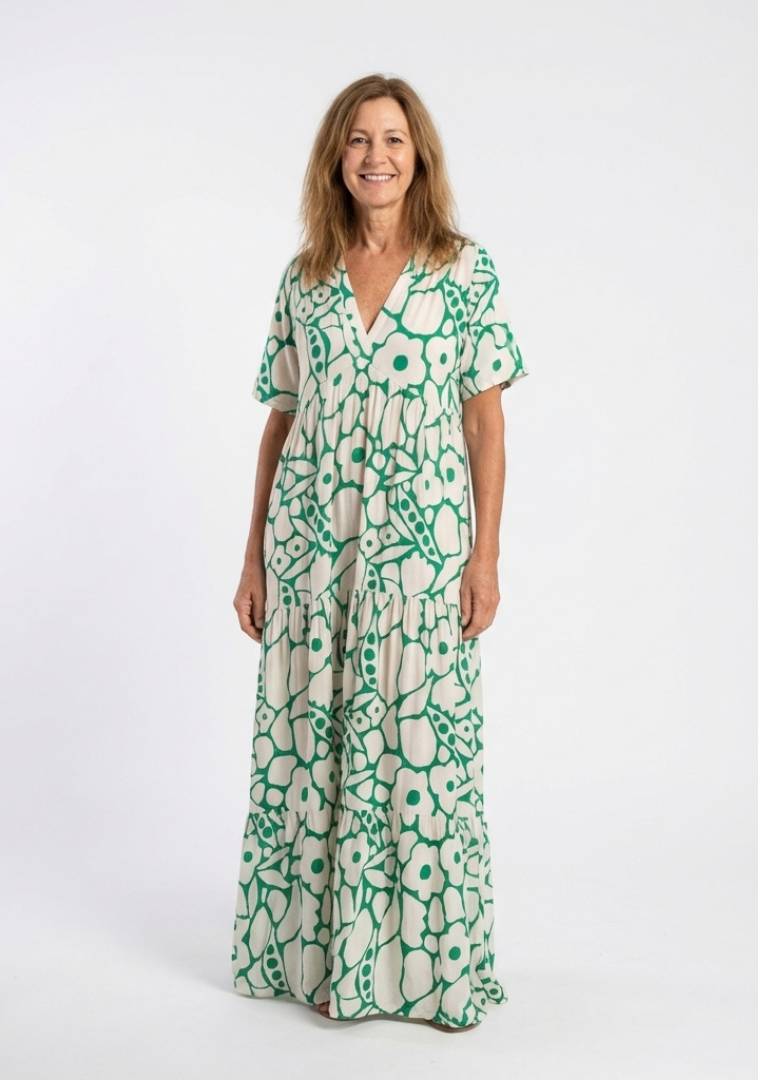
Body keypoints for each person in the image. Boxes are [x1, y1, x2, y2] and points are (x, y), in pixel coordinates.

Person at [230, 73, 529, 1033]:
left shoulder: (464, 271)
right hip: (313, 554)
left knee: (419, 750)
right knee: (317, 748)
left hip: (420, 557)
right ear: (337, 158)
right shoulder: (305, 278)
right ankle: (331, 962)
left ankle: (432, 973)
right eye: (359, 139)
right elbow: (282, 423)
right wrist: (253, 558)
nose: (376, 156)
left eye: (393, 139)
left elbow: (485, 426)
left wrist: (485, 557)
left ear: (418, 155)